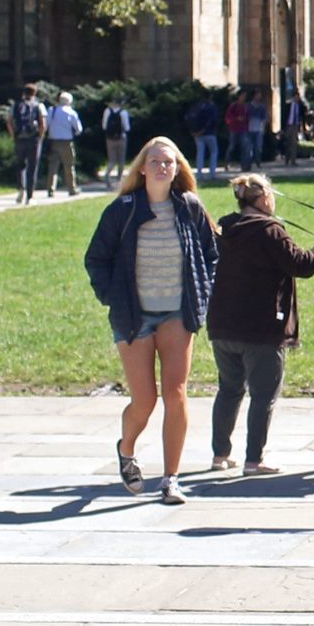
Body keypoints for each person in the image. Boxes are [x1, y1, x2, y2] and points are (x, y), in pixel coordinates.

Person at [84, 136, 217, 503]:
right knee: (145, 400)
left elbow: (211, 255)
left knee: (176, 394)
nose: (162, 167)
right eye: (155, 161)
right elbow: (96, 259)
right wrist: (112, 297)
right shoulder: (123, 209)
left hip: (177, 311)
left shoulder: (189, 207)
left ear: (178, 170)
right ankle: (127, 449)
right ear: (142, 167)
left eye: (169, 162)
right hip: (134, 315)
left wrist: (202, 294)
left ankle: (171, 478)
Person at [203, 172, 314, 474]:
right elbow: (302, 264)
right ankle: (254, 459)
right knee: (263, 395)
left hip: (223, 326)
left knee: (229, 389)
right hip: (260, 328)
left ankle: (220, 455)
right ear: (262, 199)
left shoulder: (226, 227)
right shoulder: (270, 230)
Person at [10, 85, 46, 204]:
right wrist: (40, 137)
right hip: (33, 139)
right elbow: (42, 123)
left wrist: (13, 135)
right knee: (32, 167)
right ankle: (30, 196)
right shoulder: (38, 105)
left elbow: (9, 121)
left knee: (21, 165)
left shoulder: (16, 105)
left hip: (19, 138)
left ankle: (21, 188)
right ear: (34, 93)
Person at [44, 91, 84, 196]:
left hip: (53, 141)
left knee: (53, 166)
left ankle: (51, 189)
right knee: (69, 166)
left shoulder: (51, 111)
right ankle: (71, 189)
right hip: (67, 142)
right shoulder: (71, 112)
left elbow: (46, 126)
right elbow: (79, 129)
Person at [188, 92, 223, 175]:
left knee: (200, 153)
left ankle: (199, 173)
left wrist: (194, 131)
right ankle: (212, 173)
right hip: (210, 133)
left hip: (197, 134)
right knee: (214, 152)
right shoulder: (212, 107)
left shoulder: (197, 107)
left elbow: (189, 117)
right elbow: (214, 120)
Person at [102, 97, 132, 180]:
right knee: (121, 159)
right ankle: (119, 178)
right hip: (121, 138)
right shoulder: (123, 112)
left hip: (109, 138)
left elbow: (104, 126)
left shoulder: (107, 111)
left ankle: (107, 175)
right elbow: (127, 128)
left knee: (112, 160)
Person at [245, 94, 268, 170]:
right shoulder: (248, 106)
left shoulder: (262, 107)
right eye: (257, 95)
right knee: (249, 148)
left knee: (258, 147)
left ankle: (258, 161)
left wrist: (263, 128)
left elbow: (264, 119)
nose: (259, 97)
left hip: (258, 129)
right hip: (249, 129)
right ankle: (249, 163)